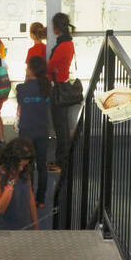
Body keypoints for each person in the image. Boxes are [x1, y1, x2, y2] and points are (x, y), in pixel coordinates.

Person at [15, 55, 52, 209]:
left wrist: (26, 80)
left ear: (31, 70)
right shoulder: (48, 87)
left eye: (27, 67)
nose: (25, 69)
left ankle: (29, 198)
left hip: (26, 132)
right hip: (43, 131)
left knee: (27, 166)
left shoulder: (21, 88)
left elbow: (21, 102)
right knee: (42, 165)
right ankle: (41, 200)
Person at [46, 12, 76, 174]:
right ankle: (61, 159)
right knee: (62, 126)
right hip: (62, 84)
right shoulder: (68, 43)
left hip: (58, 88)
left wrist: (50, 67)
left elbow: (50, 66)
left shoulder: (62, 46)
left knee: (61, 128)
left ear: (56, 28)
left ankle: (62, 162)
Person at [0, 137, 38, 231]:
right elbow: (0, 208)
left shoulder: (25, 170)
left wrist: (35, 225)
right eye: (20, 165)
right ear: (11, 159)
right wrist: (11, 179)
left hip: (26, 229)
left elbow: (30, 197)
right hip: (4, 232)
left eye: (25, 165)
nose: (22, 169)